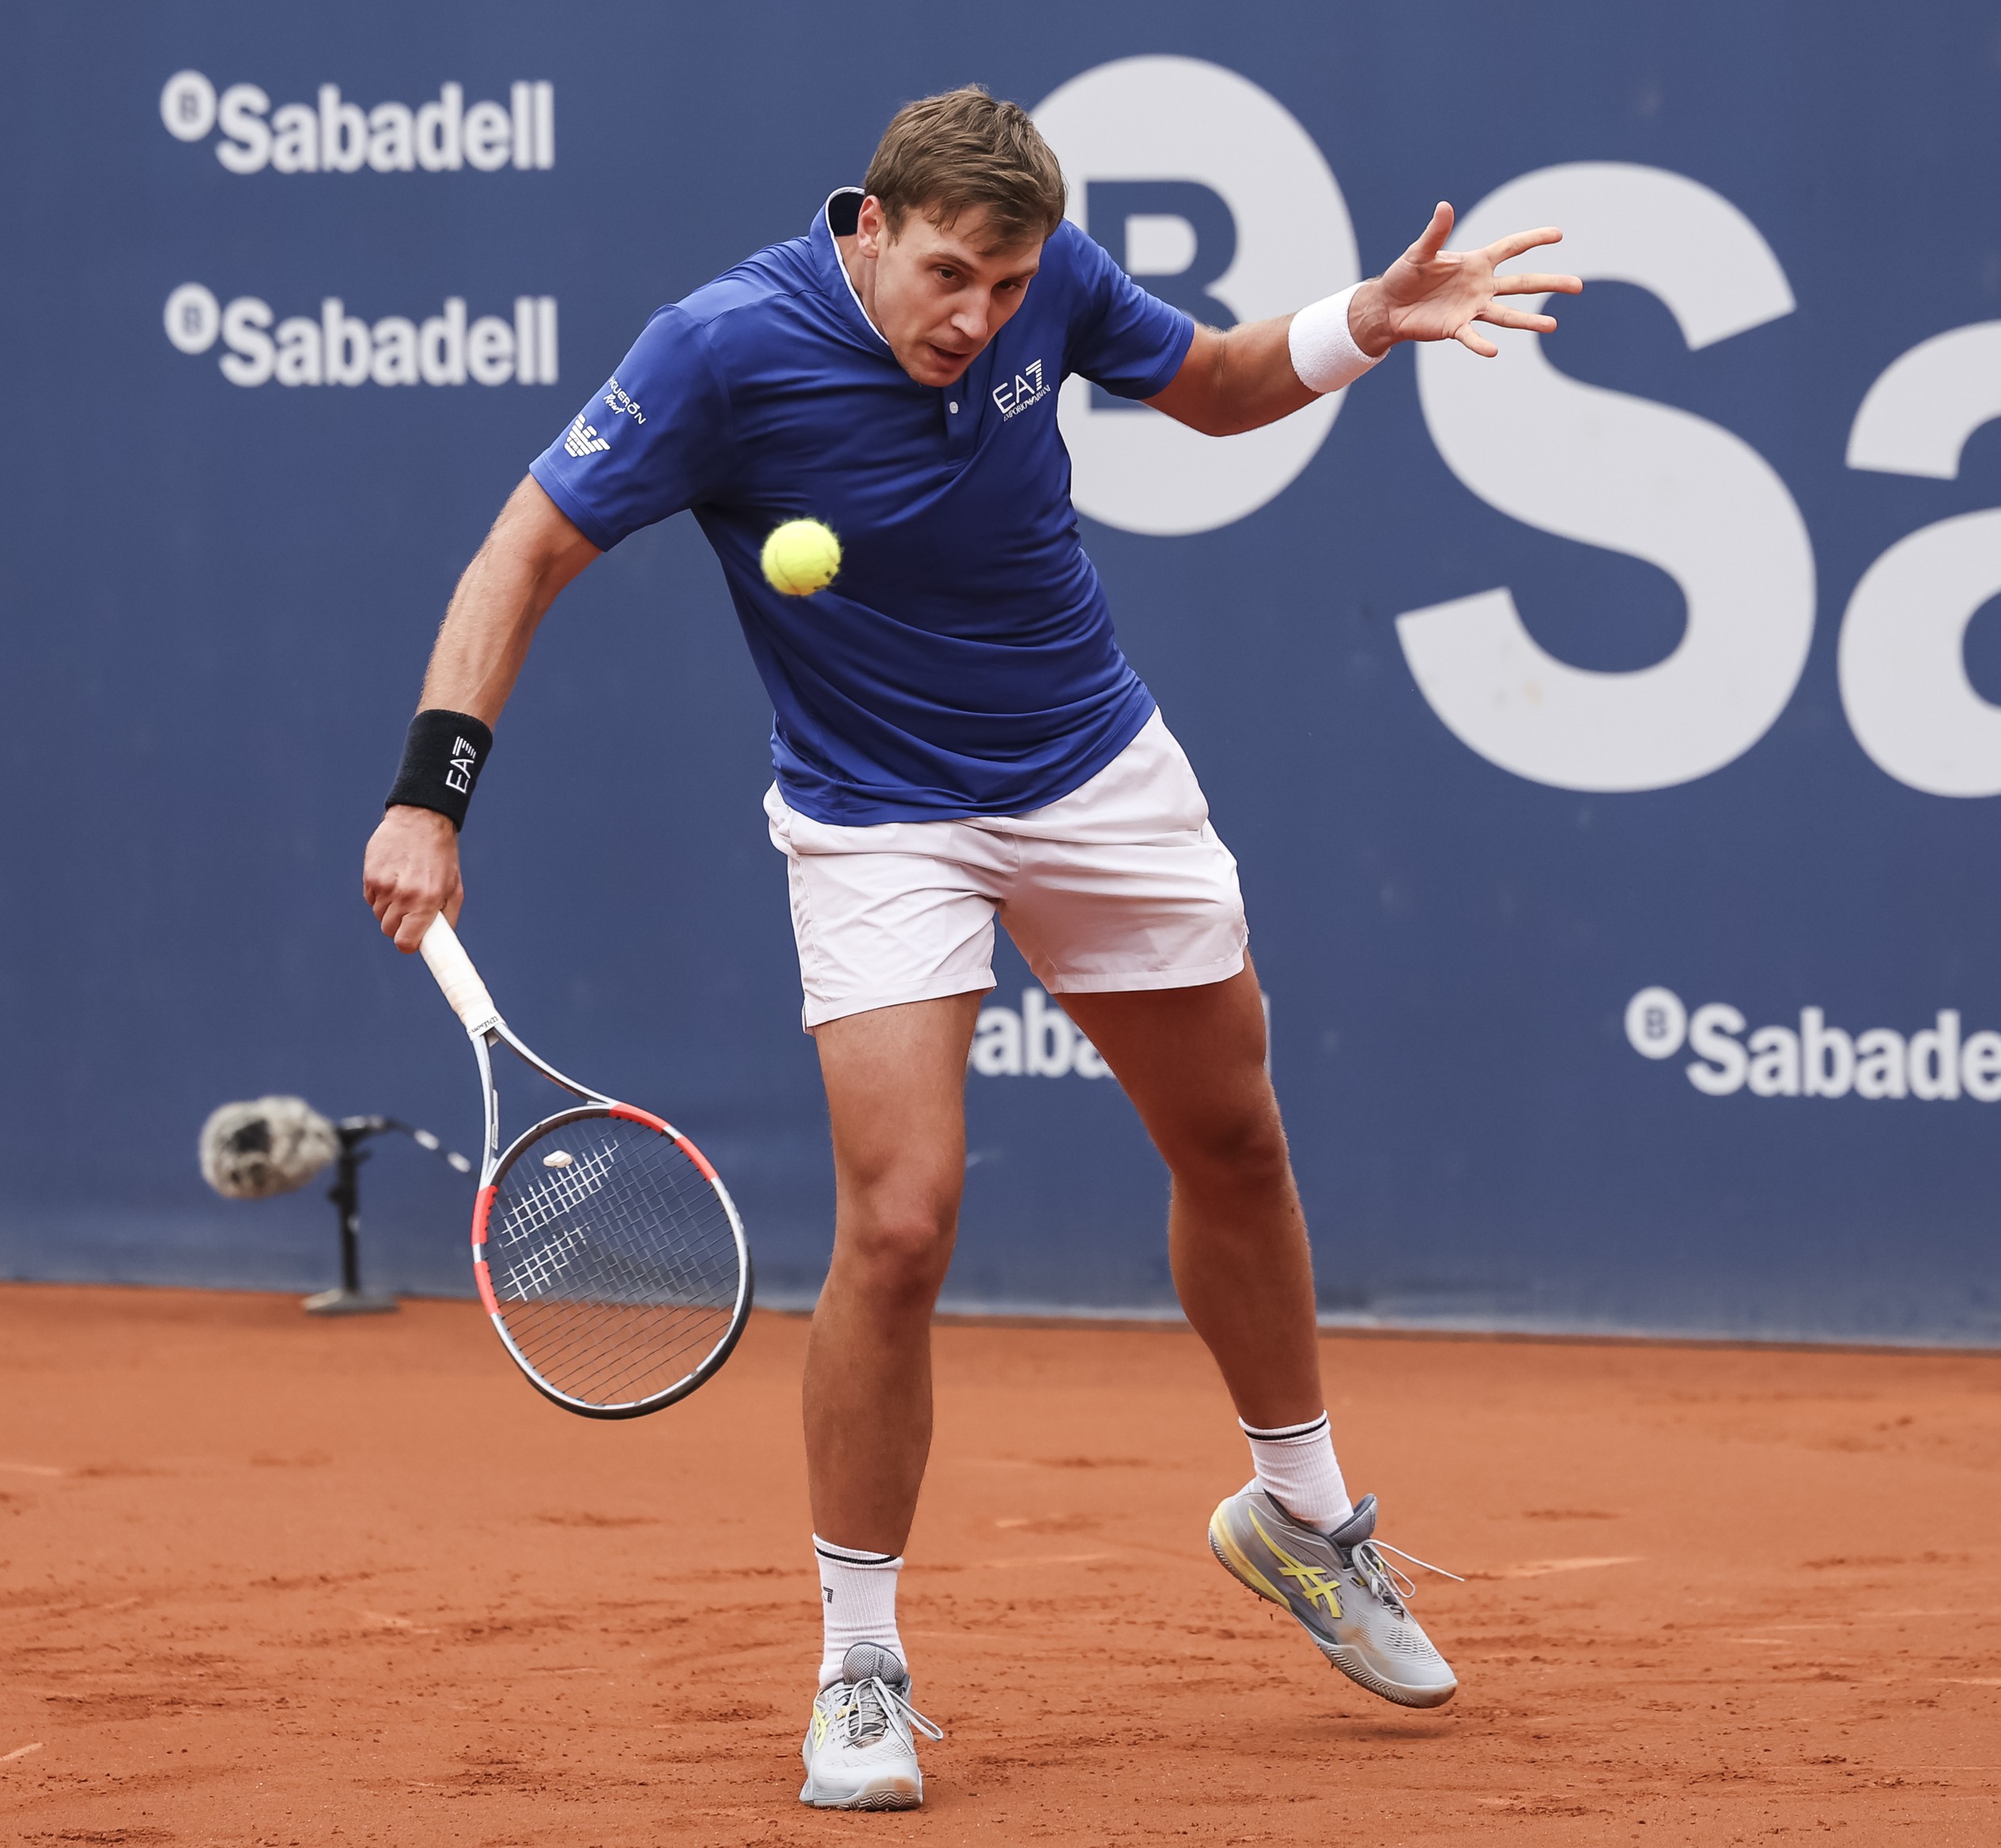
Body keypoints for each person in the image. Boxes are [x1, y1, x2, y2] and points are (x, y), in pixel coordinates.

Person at [362, 85, 1579, 1812]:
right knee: (903, 1215)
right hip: (876, 819)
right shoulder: (718, 350)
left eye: (1006, 290)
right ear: (864, 226)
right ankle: (858, 1654)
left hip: (1093, 769)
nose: (977, 320)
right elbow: (528, 547)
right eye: (947, 277)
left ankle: (1303, 1516)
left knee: (1231, 1138)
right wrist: (431, 795)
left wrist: (1362, 325)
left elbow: (1216, 388)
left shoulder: (1047, 280)